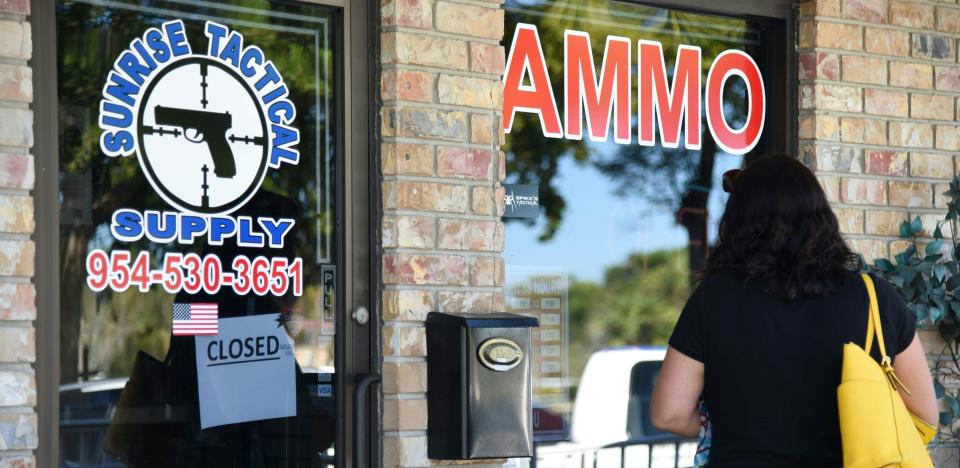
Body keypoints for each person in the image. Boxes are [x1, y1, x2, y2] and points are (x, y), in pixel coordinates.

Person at [650, 154, 938, 467]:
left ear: (738, 220)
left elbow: (670, 414)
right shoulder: (873, 297)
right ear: (820, 216)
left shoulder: (714, 298)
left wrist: (729, 424)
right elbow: (924, 415)